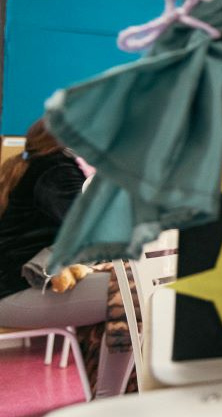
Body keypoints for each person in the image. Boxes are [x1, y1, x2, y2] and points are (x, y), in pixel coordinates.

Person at [0, 119, 132, 398]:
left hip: (22, 286)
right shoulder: (56, 169)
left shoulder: (43, 165)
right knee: (129, 295)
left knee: (127, 290)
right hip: (13, 292)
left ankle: (110, 398)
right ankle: (109, 401)